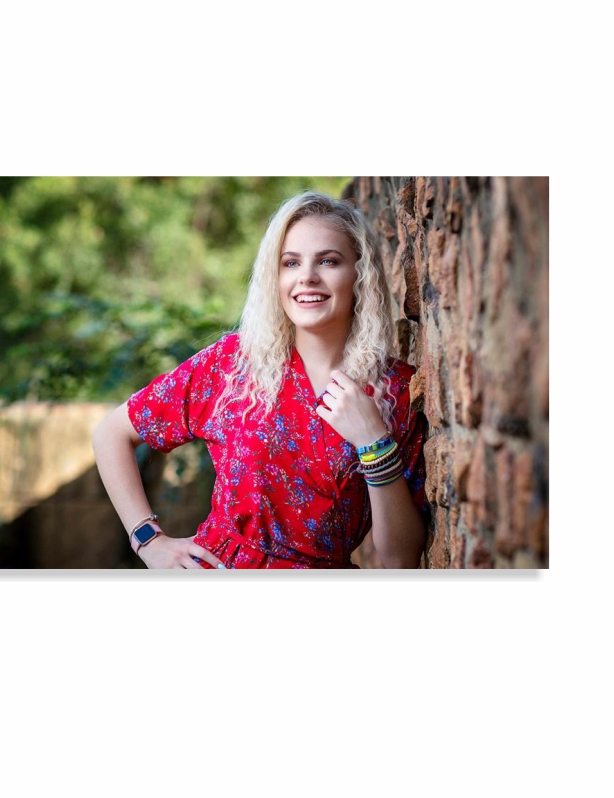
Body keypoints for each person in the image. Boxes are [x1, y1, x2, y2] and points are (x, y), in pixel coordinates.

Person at [91, 190, 430, 569]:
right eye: (291, 263)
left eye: (328, 261)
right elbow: (111, 433)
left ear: (359, 274)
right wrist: (148, 541)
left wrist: (373, 442)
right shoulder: (232, 364)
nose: (307, 277)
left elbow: (400, 560)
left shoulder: (396, 391)